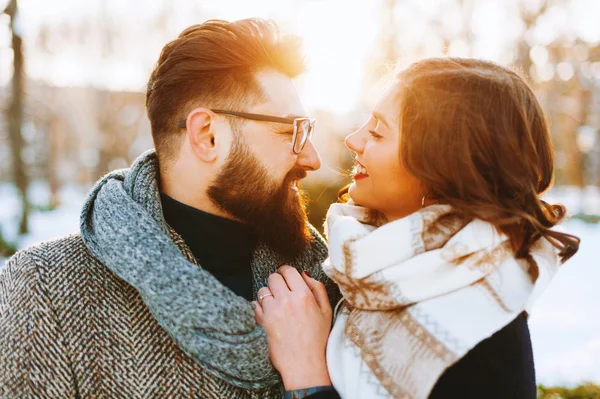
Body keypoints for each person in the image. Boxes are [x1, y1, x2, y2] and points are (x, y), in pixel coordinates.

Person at [0, 18, 339, 399]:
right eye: (291, 131)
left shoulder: (329, 279)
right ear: (207, 136)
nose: (312, 158)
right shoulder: (47, 289)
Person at [254, 57, 580, 399]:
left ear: (440, 168)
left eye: (378, 132)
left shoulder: (480, 331)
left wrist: (306, 373)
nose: (353, 139)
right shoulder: (361, 268)